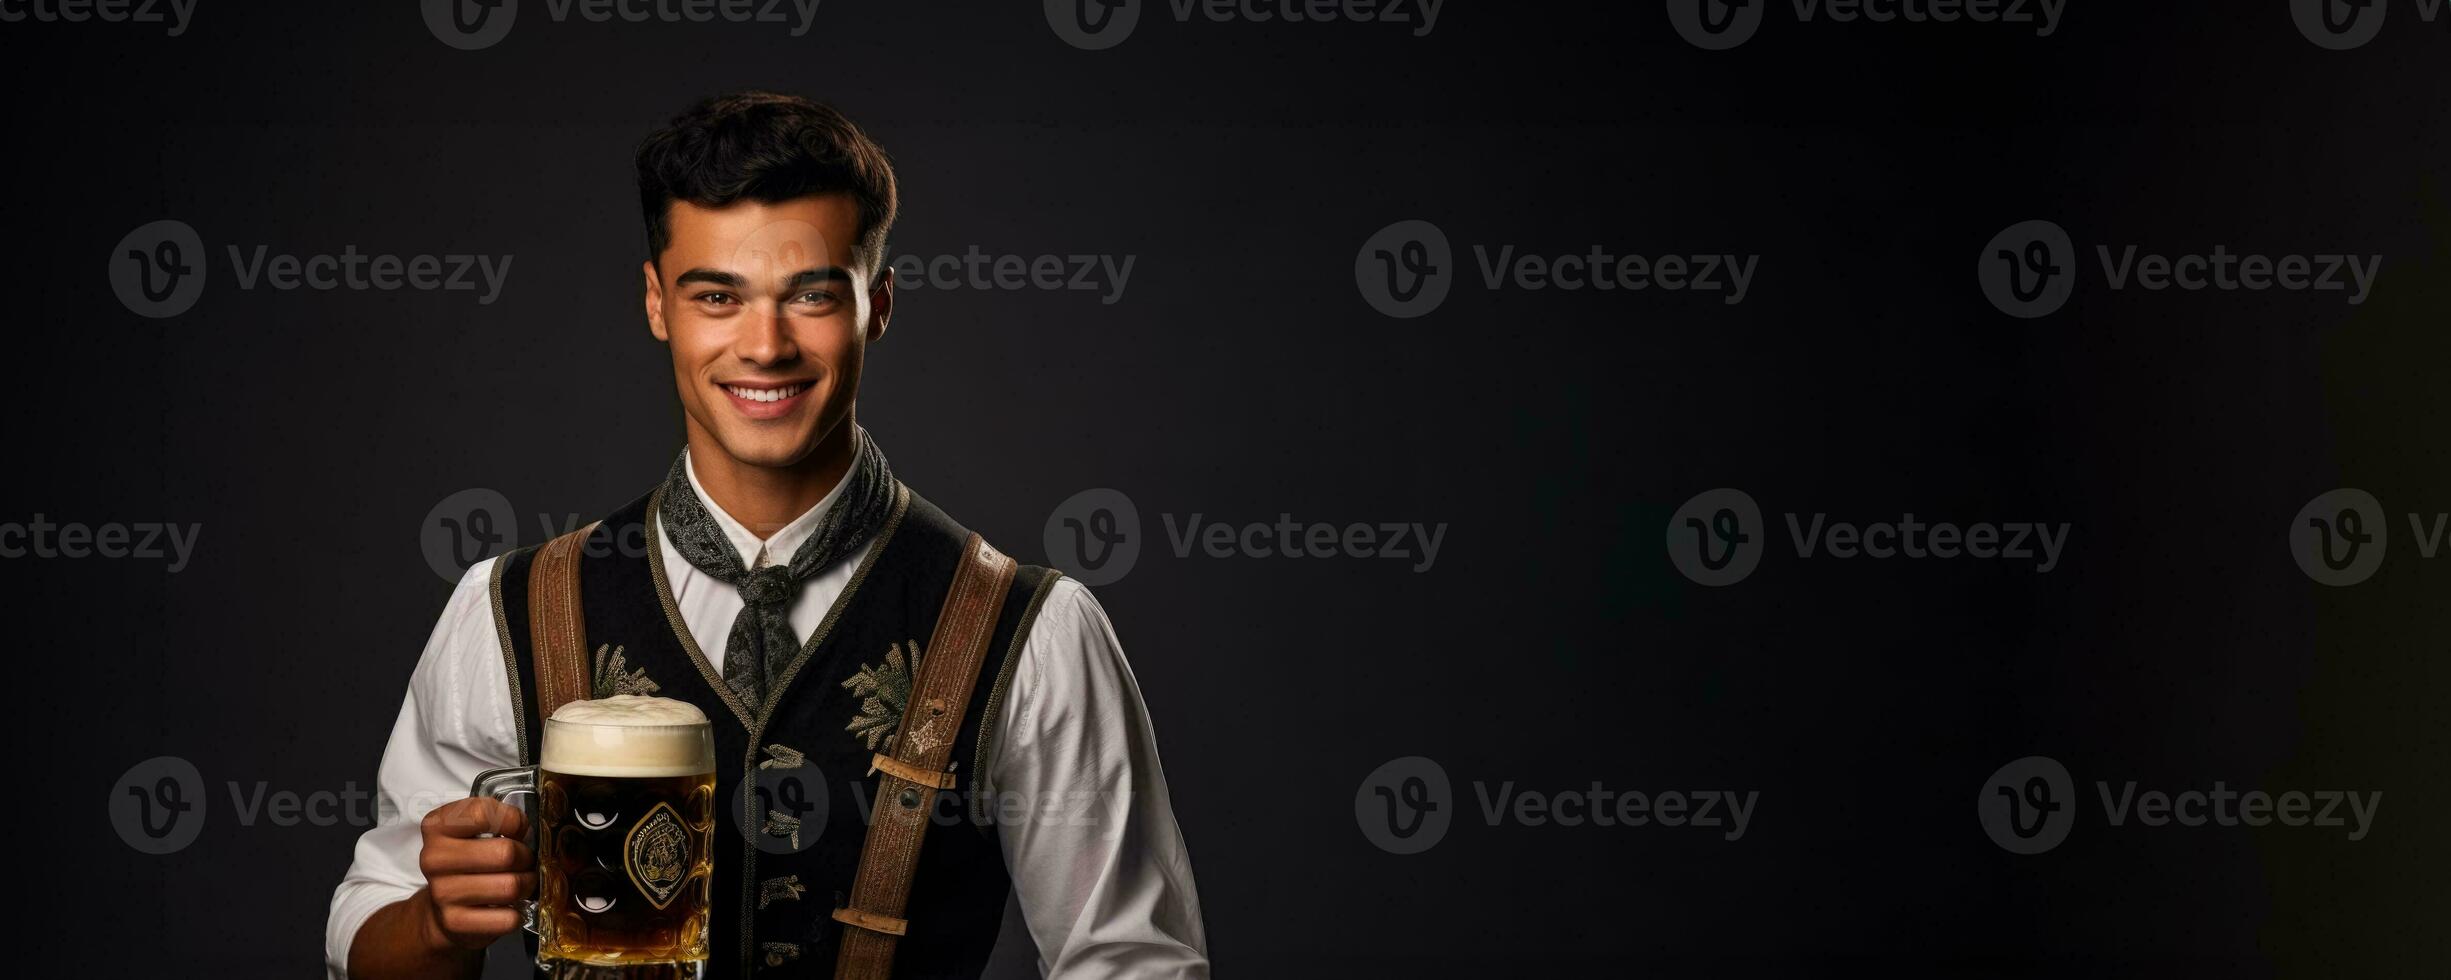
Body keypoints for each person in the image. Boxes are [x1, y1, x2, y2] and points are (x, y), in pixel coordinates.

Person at [326, 91, 1209, 979]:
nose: (765, 345)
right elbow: (371, 933)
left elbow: (1132, 963)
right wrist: (435, 927)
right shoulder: (507, 609)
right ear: (656, 304)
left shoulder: (1034, 630)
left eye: (812, 296)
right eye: (718, 295)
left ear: (879, 306)